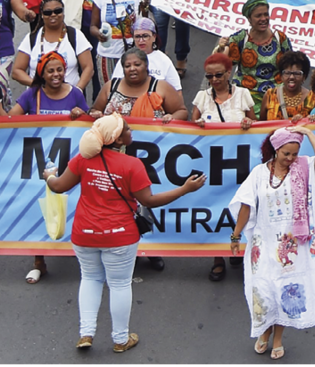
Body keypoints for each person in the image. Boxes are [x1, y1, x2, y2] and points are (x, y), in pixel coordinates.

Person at [43, 115, 206, 352]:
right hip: (120, 235)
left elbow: (57, 186)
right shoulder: (132, 165)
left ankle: (86, 333)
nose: (132, 132)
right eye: (127, 129)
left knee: (90, 279)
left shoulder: (83, 160)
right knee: (119, 285)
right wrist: (184, 189)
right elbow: (148, 200)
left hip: (84, 233)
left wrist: (48, 176)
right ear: (117, 139)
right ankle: (120, 339)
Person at [230, 126, 315, 358]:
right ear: (275, 150)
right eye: (286, 153)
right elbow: (246, 205)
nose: (291, 158)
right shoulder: (258, 173)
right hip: (263, 244)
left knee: (286, 290)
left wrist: (307, 132)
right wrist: (235, 235)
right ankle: (264, 331)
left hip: (292, 247)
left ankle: (278, 337)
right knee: (263, 289)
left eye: (295, 153)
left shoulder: (302, 169)